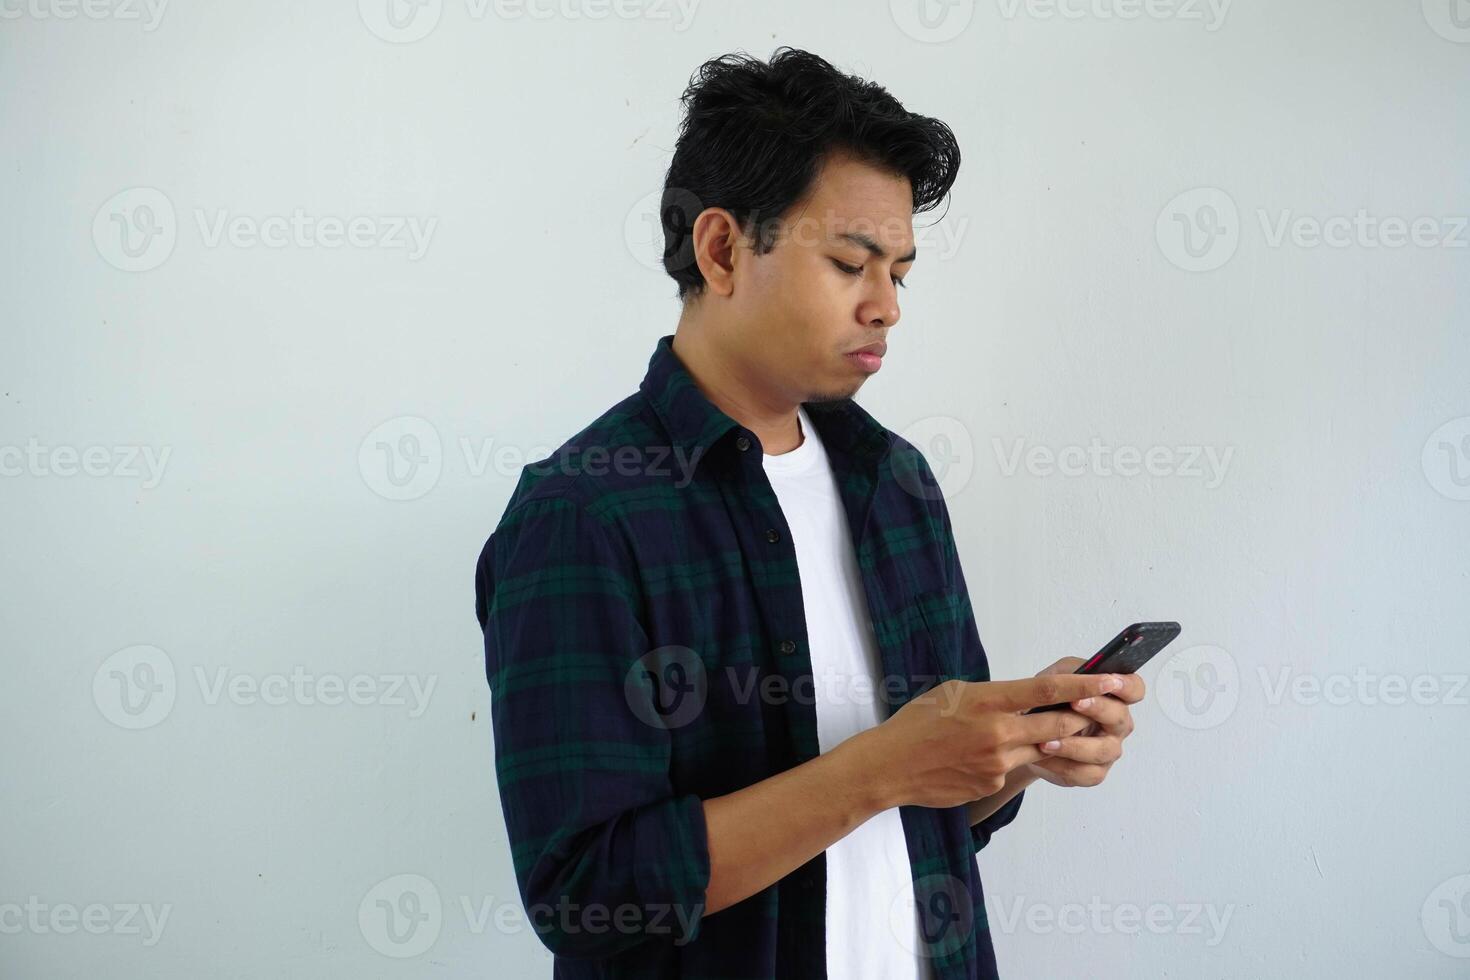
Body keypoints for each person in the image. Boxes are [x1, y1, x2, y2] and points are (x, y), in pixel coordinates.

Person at [473, 46, 1145, 979]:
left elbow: (933, 818)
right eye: (849, 263)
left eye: (900, 274)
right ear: (721, 250)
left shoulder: (894, 483)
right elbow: (588, 894)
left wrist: (1018, 754)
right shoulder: (583, 517)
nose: (886, 308)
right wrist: (881, 768)